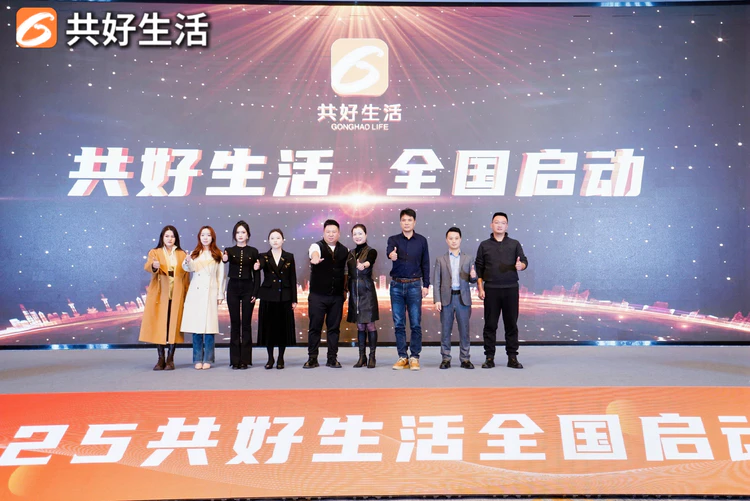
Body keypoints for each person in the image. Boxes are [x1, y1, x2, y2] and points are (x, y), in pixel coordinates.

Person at [475, 212, 528, 369]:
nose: (499, 225)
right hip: (491, 289)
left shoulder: (514, 244)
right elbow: (479, 268)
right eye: (496, 222)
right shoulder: (484, 245)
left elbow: (524, 261)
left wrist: (521, 266)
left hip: (511, 288)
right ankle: (489, 357)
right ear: (491, 225)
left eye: (503, 223)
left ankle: (512, 357)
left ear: (507, 226)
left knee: (511, 324)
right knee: (490, 325)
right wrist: (480, 288)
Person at [139, 225, 190, 371]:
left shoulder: (181, 254)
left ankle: (170, 359)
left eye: (172, 236)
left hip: (176, 294)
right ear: (162, 237)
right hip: (160, 294)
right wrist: (154, 266)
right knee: (160, 325)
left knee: (174, 327)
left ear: (176, 238)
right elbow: (148, 266)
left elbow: (186, 276)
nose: (170, 239)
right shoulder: (155, 252)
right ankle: (160, 358)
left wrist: (186, 294)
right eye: (167, 236)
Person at [386, 208, 430, 371]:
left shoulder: (422, 241)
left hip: (414, 285)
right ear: (400, 222)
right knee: (399, 323)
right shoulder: (393, 239)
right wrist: (392, 255)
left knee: (415, 323)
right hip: (396, 286)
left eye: (409, 220)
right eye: (404, 220)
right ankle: (402, 356)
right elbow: (389, 252)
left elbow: (425, 263)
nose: (406, 223)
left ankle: (414, 357)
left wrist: (426, 285)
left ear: (414, 222)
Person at [180, 226, 226, 370]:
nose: (205, 238)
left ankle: (208, 359)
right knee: (197, 328)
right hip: (196, 293)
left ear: (213, 237)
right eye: (203, 235)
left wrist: (220, 294)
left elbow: (221, 276)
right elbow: (189, 268)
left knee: (210, 328)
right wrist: (187, 261)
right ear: (199, 237)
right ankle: (197, 358)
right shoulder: (195, 253)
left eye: (208, 235)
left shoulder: (218, 254)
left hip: (211, 292)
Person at [305, 219, 348, 369]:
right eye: (328, 231)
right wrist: (315, 258)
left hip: (336, 296)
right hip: (318, 295)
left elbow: (345, 272)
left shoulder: (344, 250)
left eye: (334, 232)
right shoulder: (316, 246)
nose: (331, 234)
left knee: (334, 329)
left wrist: (344, 291)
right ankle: (312, 358)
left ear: (339, 233)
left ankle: (332, 358)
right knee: (315, 327)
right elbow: (314, 252)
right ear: (323, 233)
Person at [433, 227, 478, 369]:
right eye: (451, 238)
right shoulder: (440, 260)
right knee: (446, 330)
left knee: (464, 330)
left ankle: (465, 359)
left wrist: (473, 276)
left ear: (460, 240)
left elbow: (473, 279)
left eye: (456, 238)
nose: (454, 241)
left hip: (463, 299)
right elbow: (436, 281)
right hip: (446, 299)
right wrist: (437, 299)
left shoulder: (468, 258)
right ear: (446, 240)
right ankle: (446, 358)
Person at [256, 229, 297, 369]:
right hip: (268, 296)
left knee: (282, 329)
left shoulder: (289, 256)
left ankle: (280, 358)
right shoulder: (263, 256)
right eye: (272, 238)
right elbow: (260, 266)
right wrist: (257, 266)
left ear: (283, 240)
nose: (275, 240)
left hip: (284, 296)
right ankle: (270, 358)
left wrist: (294, 299)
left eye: (278, 238)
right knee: (269, 329)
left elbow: (292, 278)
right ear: (268, 241)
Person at [222, 221, 260, 370]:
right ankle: (235, 360)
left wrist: (255, 293)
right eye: (238, 232)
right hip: (233, 288)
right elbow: (224, 260)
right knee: (235, 323)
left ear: (248, 235)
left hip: (248, 288)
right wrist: (224, 259)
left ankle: (245, 360)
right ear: (234, 235)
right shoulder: (229, 251)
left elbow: (257, 275)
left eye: (243, 232)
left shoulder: (253, 251)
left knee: (246, 324)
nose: (240, 235)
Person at [346, 224, 379, 368]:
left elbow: (370, 260)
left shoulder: (371, 251)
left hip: (367, 291)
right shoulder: (350, 253)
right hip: (354, 291)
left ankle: (372, 356)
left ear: (365, 235)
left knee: (370, 325)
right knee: (359, 325)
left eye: (360, 233)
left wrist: (364, 265)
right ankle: (361, 357)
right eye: (355, 234)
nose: (357, 236)